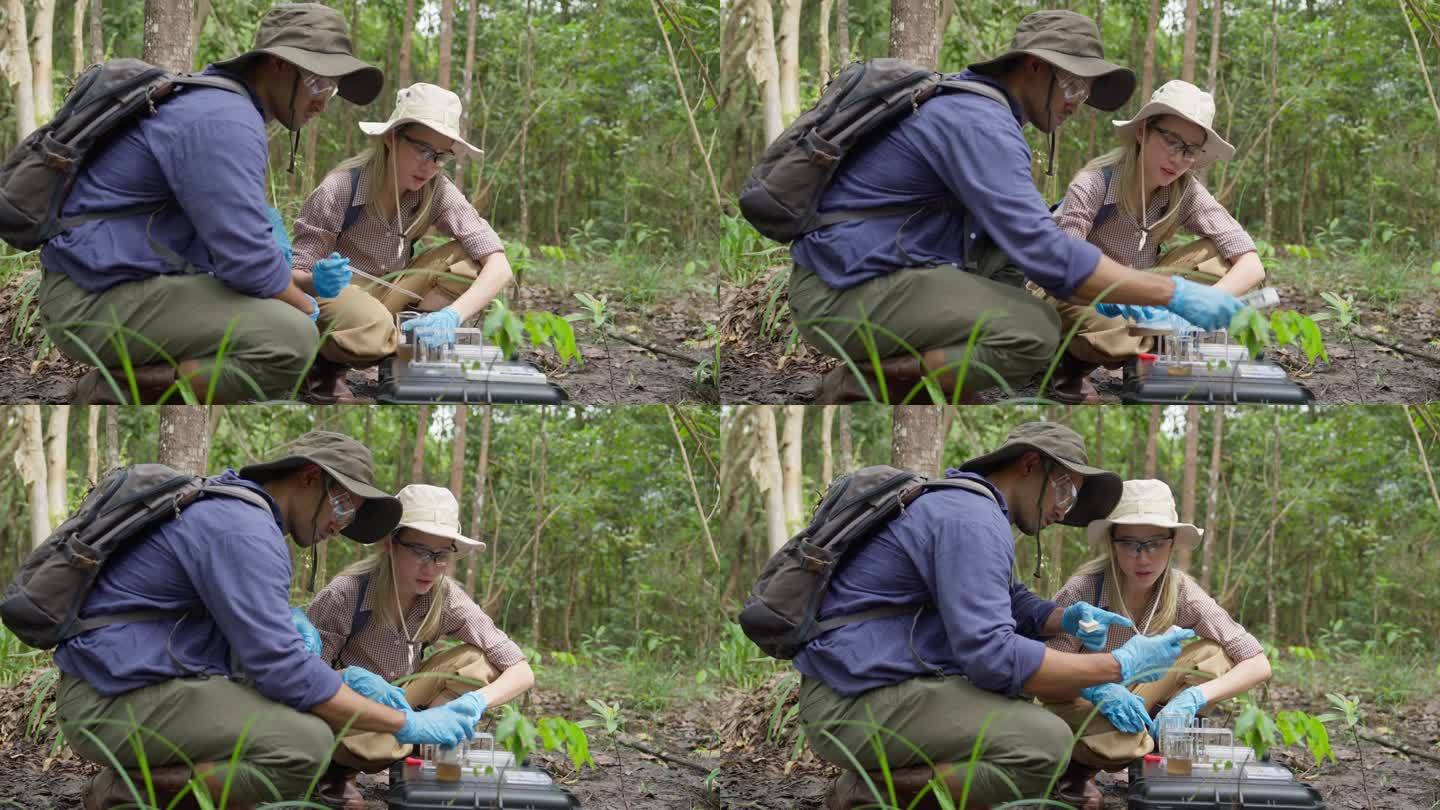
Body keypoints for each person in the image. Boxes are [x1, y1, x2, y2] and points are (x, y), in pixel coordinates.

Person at [785, 10, 1247, 404]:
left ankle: (930, 375)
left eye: (1084, 93)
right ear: (1032, 68)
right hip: (843, 292)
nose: (1075, 104)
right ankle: (862, 383)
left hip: (880, 273)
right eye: (1071, 86)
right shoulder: (979, 123)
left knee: (1015, 297)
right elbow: (1051, 257)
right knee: (1035, 334)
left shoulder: (984, 115)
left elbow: (1010, 247)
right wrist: (1176, 296)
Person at [56, 431, 487, 810]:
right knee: (303, 744)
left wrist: (329, 671)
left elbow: (259, 650)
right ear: (309, 477)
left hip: (136, 681)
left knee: (292, 718)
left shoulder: (236, 512)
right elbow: (283, 672)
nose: (341, 524)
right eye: (342, 504)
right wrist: (407, 722)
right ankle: (126, 793)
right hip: (109, 702)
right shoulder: (243, 531)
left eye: (352, 515)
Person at [796, 422, 1196, 809]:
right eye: (1064, 491)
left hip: (869, 683)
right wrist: (1117, 665)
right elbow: (991, 655)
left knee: (1015, 700)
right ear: (1029, 465)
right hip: (849, 704)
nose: (1062, 510)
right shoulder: (972, 519)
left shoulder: (969, 507)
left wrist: (1063, 619)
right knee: (1043, 744)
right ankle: (871, 792)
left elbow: (1008, 599)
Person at [37, 4, 383, 404]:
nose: (324, 102)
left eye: (332, 89)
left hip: (115, 283)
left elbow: (238, 248)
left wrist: (303, 285)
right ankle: (119, 390)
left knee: (288, 319)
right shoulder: (224, 120)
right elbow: (249, 264)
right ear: (277, 65)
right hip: (90, 302)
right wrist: (310, 311)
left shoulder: (219, 107)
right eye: (319, 84)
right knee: (291, 339)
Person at [1045, 479, 1272, 809]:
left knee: (1214, 654)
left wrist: (1194, 697)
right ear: (1112, 543)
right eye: (1129, 544)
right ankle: (1077, 770)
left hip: (1141, 693)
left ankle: (1158, 758)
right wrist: (1097, 688)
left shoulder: (1181, 592)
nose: (1143, 557)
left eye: (1154, 543)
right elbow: (1043, 669)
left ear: (1172, 543)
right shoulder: (1086, 589)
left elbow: (1257, 661)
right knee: (1123, 742)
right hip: (1079, 698)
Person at [307, 484, 535, 808]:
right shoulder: (347, 594)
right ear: (390, 543)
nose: (431, 566)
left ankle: (421, 748)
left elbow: (520, 669)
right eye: (419, 551)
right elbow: (301, 677)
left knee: (476, 659)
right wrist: (346, 678)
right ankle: (335, 772)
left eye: (441, 555)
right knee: (374, 741)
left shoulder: (445, 597)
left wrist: (470, 704)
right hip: (347, 709)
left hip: (405, 702)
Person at [1043, 80, 1266, 401]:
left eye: (1190, 150)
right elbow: (1062, 273)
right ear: (1143, 132)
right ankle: (1071, 363)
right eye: (1172, 141)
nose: (1178, 159)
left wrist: (1203, 304)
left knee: (1219, 257)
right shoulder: (1093, 185)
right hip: (1083, 294)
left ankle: (1158, 345)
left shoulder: (1184, 191)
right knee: (1110, 320)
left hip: (1148, 295)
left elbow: (1251, 262)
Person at [288, 83, 512, 402]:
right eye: (423, 151)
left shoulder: (436, 190)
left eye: (441, 157)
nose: (430, 165)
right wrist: (316, 279)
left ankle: (410, 357)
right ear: (392, 138)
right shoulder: (339, 190)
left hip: (388, 298)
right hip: (336, 298)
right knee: (373, 326)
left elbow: (499, 264)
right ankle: (323, 367)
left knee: (468, 260)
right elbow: (289, 278)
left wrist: (453, 316)